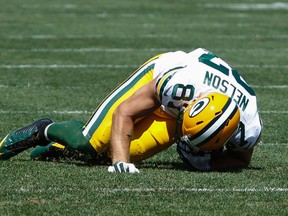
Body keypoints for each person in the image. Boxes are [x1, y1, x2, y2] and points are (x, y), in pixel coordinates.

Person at [0, 48, 263, 173]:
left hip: (190, 102)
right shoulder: (177, 87)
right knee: (92, 143)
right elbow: (124, 112)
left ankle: (56, 149)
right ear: (188, 109)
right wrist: (120, 164)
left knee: (121, 149)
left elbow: (240, 160)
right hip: (159, 76)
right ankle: (43, 130)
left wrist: (210, 163)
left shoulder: (249, 125)